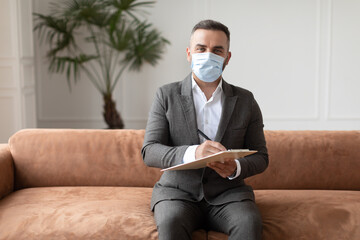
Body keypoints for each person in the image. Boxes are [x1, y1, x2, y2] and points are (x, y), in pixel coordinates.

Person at [141, 19, 268, 240]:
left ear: (227, 58)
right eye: (201, 49)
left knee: (249, 223)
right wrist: (193, 153)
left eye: (217, 50)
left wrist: (235, 167)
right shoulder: (166, 95)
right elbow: (149, 151)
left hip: (229, 195)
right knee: (171, 223)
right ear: (189, 54)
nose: (208, 55)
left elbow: (261, 157)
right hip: (176, 194)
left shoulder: (246, 100)